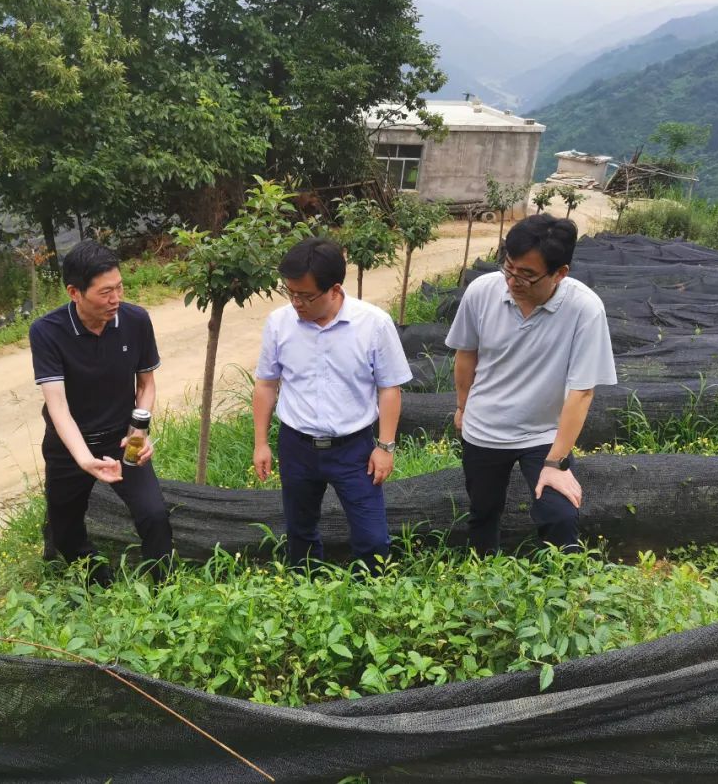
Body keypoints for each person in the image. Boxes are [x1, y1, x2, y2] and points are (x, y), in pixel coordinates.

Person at [445, 213, 617, 555]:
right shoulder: (482, 292)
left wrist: (555, 463)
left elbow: (581, 392)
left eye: (527, 274)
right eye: (509, 267)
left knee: (560, 516)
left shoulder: (584, 309)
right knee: (483, 512)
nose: (513, 280)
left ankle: (561, 591)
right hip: (484, 429)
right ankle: (483, 578)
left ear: (560, 273)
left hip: (543, 435)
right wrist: (463, 407)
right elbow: (466, 355)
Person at [253, 237, 413, 572]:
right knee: (300, 530)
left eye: (306, 296)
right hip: (297, 446)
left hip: (353, 450)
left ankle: (370, 599)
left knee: (372, 538)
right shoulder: (280, 323)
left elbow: (389, 388)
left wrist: (385, 446)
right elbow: (267, 384)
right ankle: (305, 592)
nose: (296, 302)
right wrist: (261, 443)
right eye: (291, 293)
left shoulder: (374, 324)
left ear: (334, 289)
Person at [29, 240, 171, 585]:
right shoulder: (47, 332)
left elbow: (146, 385)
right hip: (68, 447)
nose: (116, 299)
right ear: (74, 292)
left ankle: (164, 590)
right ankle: (99, 578)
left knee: (155, 516)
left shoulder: (136, 320)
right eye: (105, 292)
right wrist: (83, 458)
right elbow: (58, 407)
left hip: (122, 439)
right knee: (65, 532)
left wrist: (140, 432)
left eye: (120, 287)